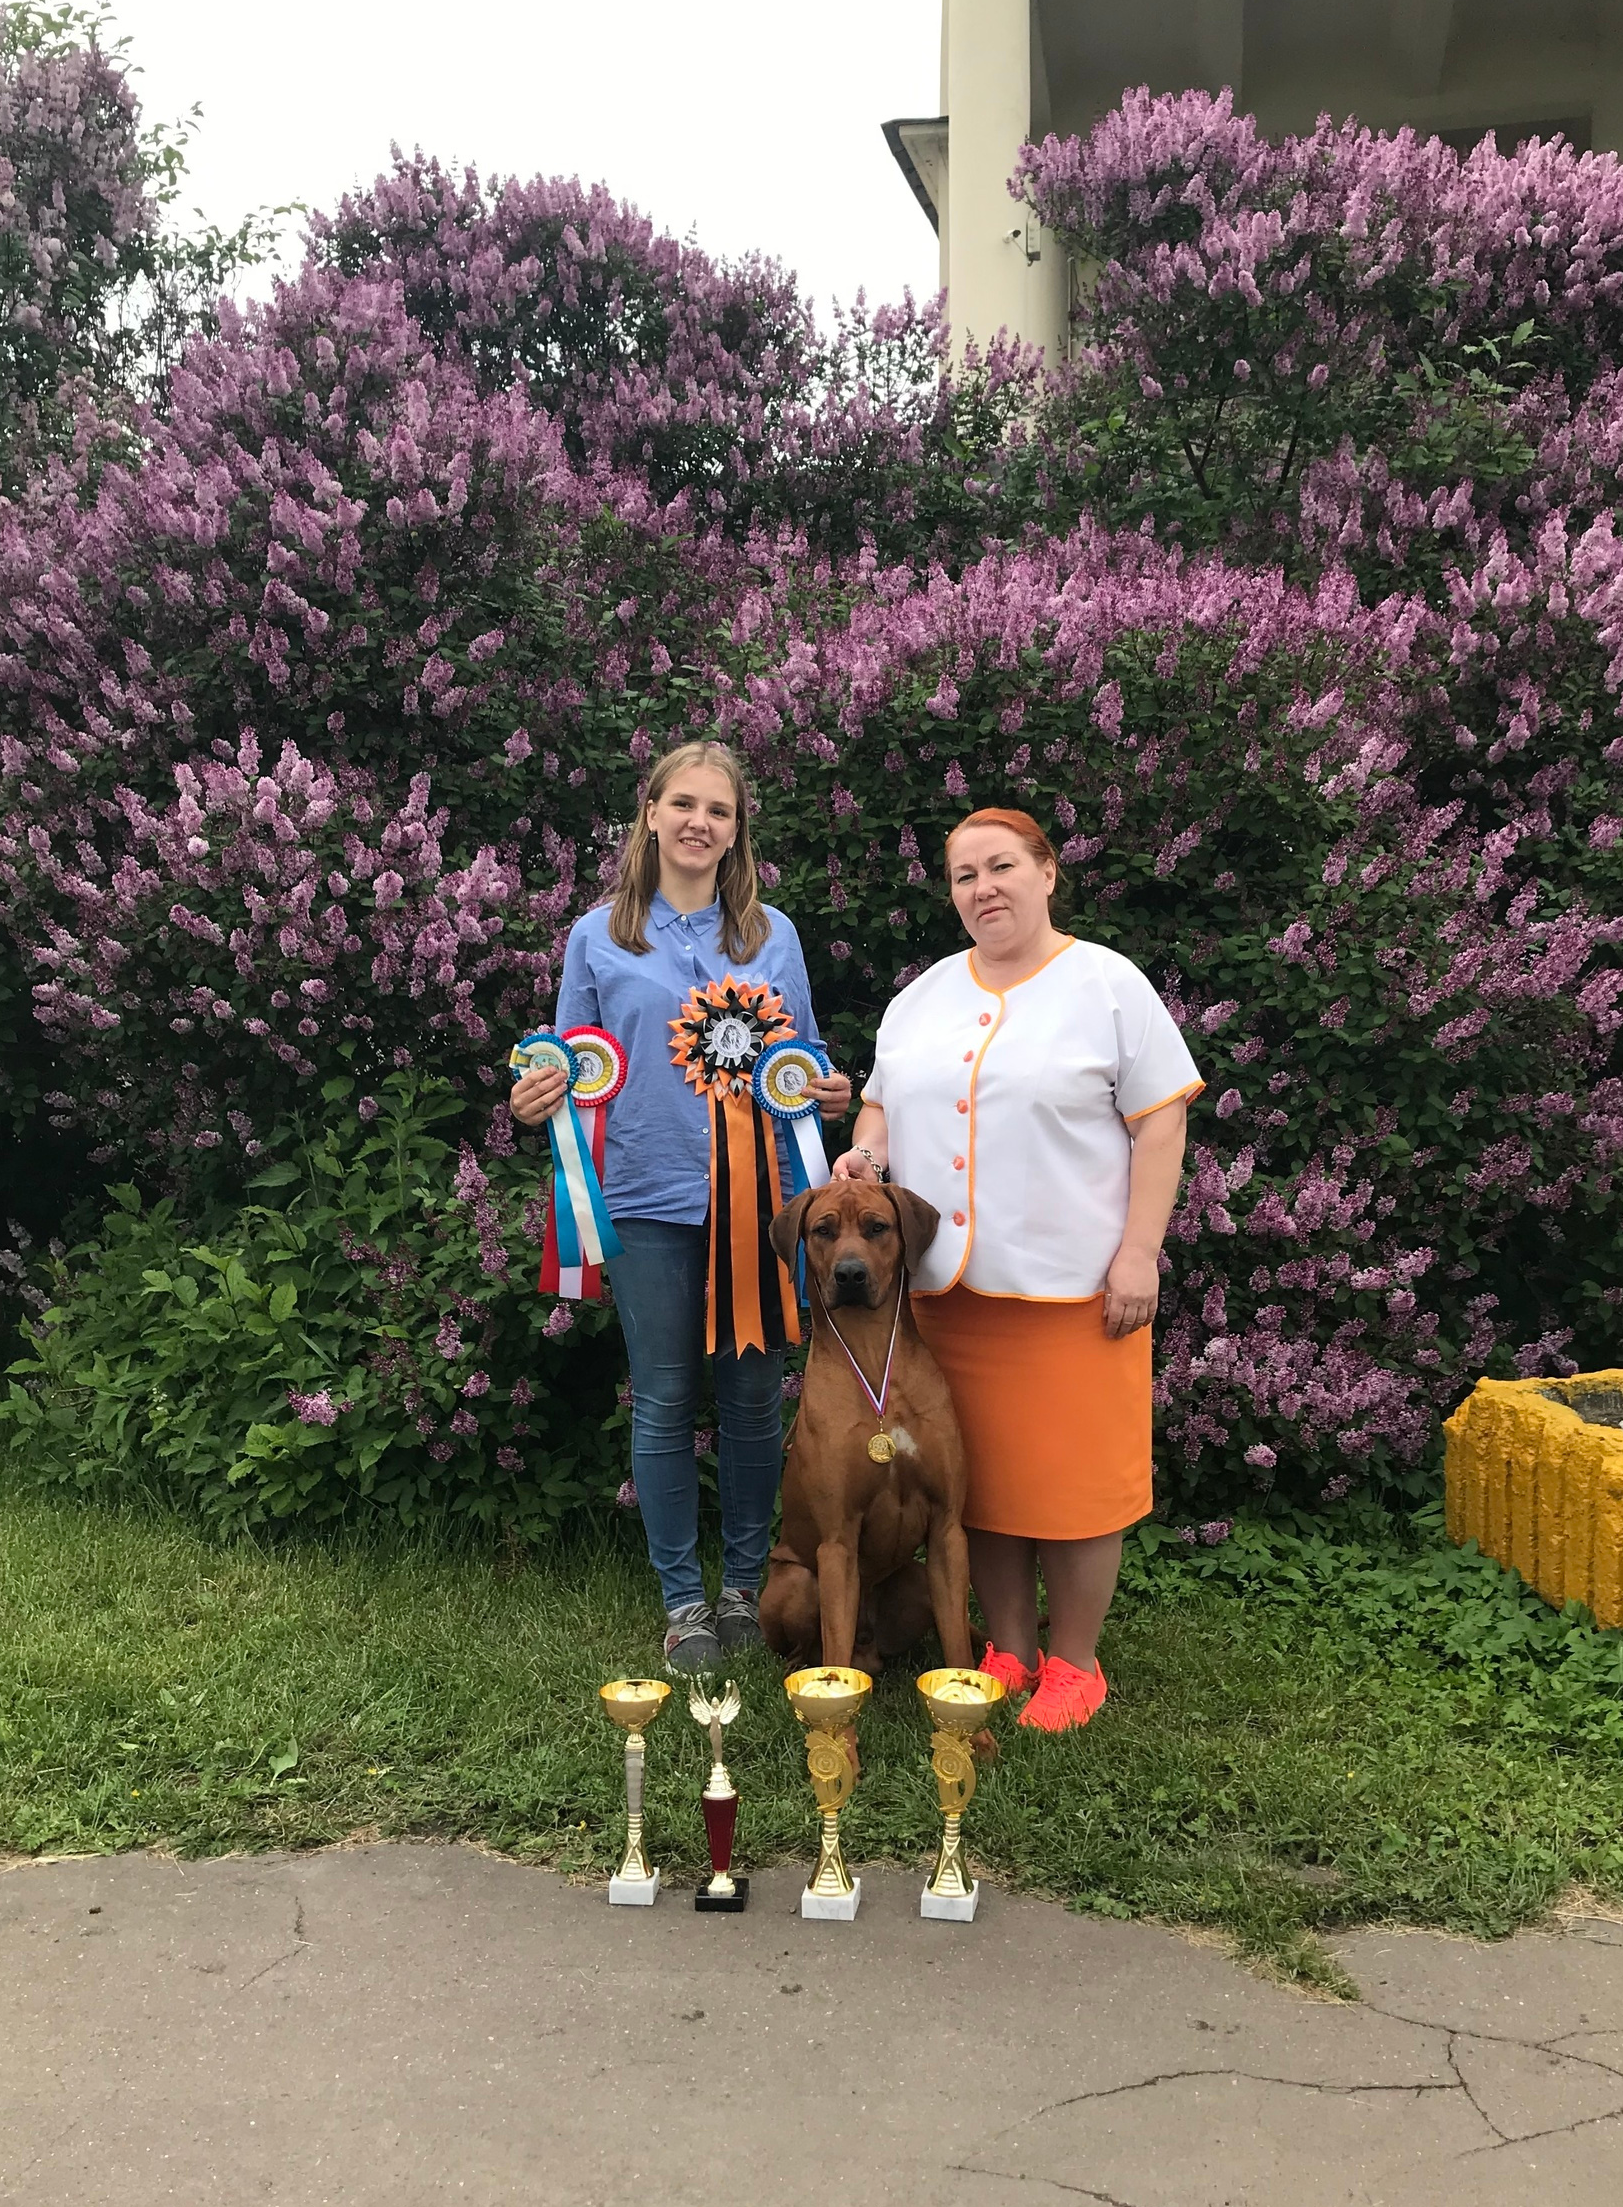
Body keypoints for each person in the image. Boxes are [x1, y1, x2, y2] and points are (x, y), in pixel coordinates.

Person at [832, 807, 1199, 1732]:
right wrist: (864, 1156)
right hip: (949, 1292)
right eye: (964, 876)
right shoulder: (919, 1000)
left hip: (1077, 1289)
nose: (984, 888)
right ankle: (1006, 1647)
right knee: (983, 1485)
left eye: (1001, 867)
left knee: (1077, 1487)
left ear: (1046, 872)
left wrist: (1139, 1252)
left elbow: (1160, 1120)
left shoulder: (1109, 985)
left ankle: (1074, 1662)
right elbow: (880, 1108)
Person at [511, 742, 851, 1671]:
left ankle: (745, 1583)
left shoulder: (772, 934)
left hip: (761, 1201)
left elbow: (806, 1056)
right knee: (662, 1398)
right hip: (646, 1197)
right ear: (651, 813)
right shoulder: (596, 936)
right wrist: (534, 1090)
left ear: (739, 831)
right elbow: (565, 1058)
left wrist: (824, 1090)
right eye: (686, 804)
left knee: (750, 1396)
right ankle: (683, 1601)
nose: (702, 823)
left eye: (722, 811)